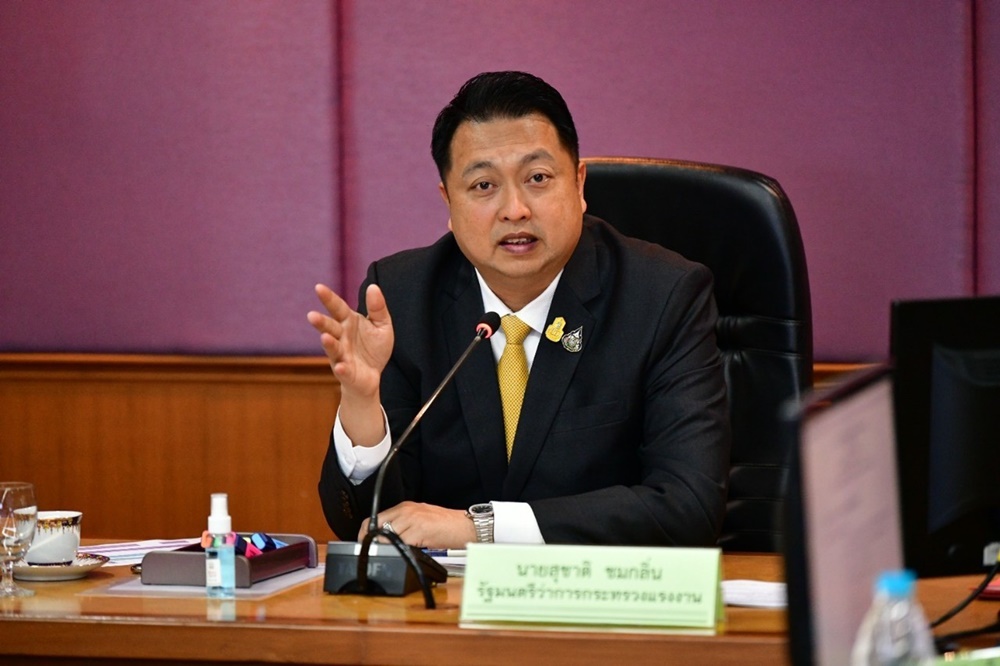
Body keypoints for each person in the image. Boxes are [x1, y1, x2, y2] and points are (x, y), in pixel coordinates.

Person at [309, 71, 730, 550]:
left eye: (537, 178)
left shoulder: (662, 296)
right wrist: (362, 408)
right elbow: (365, 525)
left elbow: (689, 506)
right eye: (483, 185)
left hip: (604, 591)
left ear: (579, 183)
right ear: (449, 202)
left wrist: (481, 528)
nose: (514, 209)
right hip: (448, 597)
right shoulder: (402, 297)